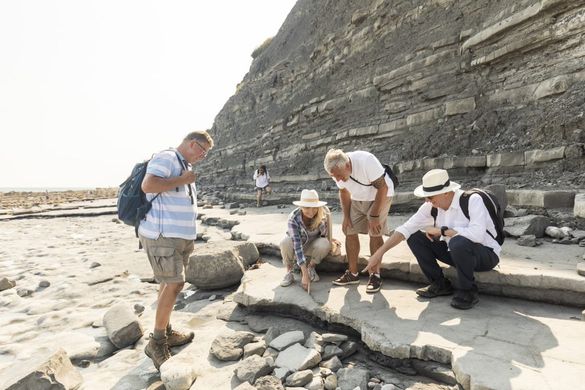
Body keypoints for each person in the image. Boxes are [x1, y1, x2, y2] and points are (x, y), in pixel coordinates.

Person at [363, 169, 500, 310]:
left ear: (446, 192)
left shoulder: (472, 200)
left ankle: (468, 290)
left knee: (457, 242)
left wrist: (443, 231)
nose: (427, 200)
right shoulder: (431, 206)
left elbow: (477, 234)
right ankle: (439, 284)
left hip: (485, 255)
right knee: (414, 236)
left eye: (430, 196)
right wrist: (379, 254)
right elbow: (405, 228)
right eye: (426, 196)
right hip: (455, 253)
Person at [138, 130, 214, 369]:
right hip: (163, 235)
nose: (203, 156)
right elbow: (148, 185)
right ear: (193, 144)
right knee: (174, 284)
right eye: (203, 151)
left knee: (166, 283)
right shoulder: (168, 157)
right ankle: (157, 343)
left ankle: (166, 330)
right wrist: (183, 180)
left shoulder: (181, 164)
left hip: (178, 236)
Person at [323, 149, 394, 294]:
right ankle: (353, 273)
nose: (338, 180)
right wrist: (346, 216)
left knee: (375, 233)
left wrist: (374, 216)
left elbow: (383, 187)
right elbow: (343, 191)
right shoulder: (335, 169)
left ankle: (375, 275)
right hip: (357, 198)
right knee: (350, 230)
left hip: (379, 197)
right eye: (334, 177)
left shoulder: (366, 161)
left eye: (340, 176)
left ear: (348, 166)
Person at [280, 189, 339, 290]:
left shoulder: (322, 215)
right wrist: (304, 275)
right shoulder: (293, 219)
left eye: (314, 208)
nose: (311, 212)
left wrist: (332, 241)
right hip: (297, 245)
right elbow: (297, 245)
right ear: (301, 206)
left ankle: (311, 266)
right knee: (285, 242)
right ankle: (289, 271)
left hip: (312, 246)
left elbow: (324, 236)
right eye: (307, 207)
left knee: (325, 243)